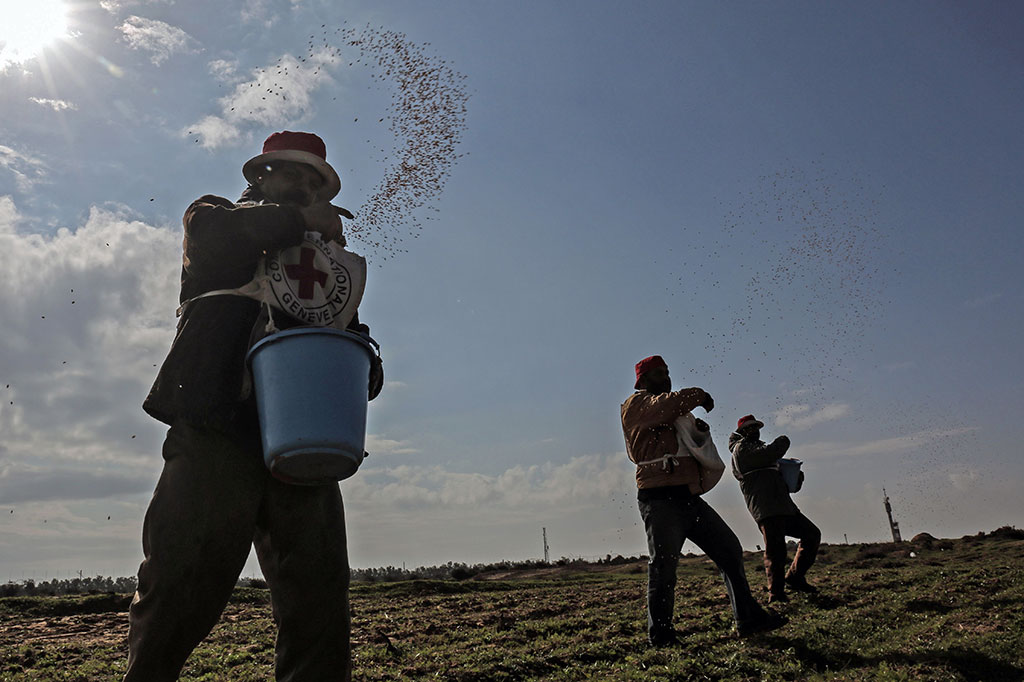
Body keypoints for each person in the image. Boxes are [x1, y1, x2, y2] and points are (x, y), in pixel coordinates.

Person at [124, 131, 381, 682]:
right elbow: (223, 239)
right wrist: (304, 219)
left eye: (316, 183)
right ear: (260, 175)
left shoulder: (324, 267)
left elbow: (348, 336)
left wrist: (361, 362)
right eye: (295, 177)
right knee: (181, 579)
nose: (307, 191)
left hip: (303, 437)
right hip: (217, 428)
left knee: (317, 593)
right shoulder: (214, 218)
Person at [620, 356, 785, 646]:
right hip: (658, 499)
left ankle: (748, 618)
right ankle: (660, 636)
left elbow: (678, 422)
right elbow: (670, 404)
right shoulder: (636, 406)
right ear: (643, 381)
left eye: (668, 372)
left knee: (730, 550)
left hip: (687, 497)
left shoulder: (670, 411)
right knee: (664, 567)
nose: (666, 377)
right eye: (659, 374)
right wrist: (700, 396)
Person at [728, 414, 821, 604]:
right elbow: (771, 452)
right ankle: (776, 594)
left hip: (783, 505)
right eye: (750, 428)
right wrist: (783, 441)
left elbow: (784, 481)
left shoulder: (759, 450)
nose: (754, 431)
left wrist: (795, 477)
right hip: (766, 507)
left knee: (811, 534)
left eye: (756, 427)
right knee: (776, 551)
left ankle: (794, 578)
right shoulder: (741, 449)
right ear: (742, 432)